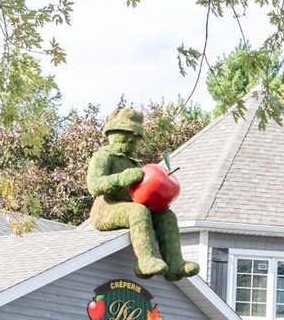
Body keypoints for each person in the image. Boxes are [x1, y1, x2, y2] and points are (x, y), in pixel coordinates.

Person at [85, 109, 199, 280]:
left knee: (166, 215)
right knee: (138, 211)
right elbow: (94, 185)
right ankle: (144, 261)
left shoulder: (136, 162)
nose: (130, 139)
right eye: (125, 134)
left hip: (133, 204)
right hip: (107, 208)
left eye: (135, 136)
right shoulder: (104, 156)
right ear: (112, 133)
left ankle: (175, 264)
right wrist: (121, 178)